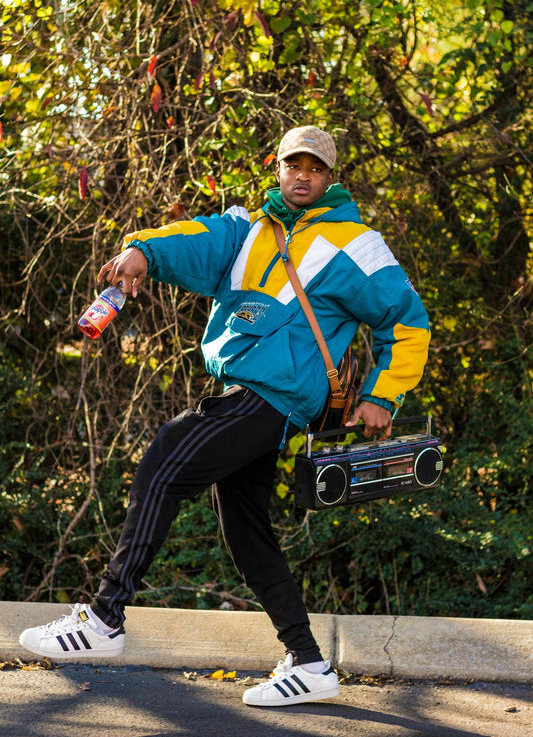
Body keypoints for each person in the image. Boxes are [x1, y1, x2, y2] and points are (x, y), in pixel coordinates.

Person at [20, 125, 430, 706]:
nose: (303, 176)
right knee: (248, 536)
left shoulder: (357, 244)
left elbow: (408, 323)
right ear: (278, 169)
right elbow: (193, 238)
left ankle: (105, 618)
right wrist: (142, 251)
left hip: (274, 396)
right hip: (245, 392)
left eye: (315, 168)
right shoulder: (248, 228)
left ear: (330, 177)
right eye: (294, 165)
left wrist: (381, 396)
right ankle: (310, 664)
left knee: (165, 459)